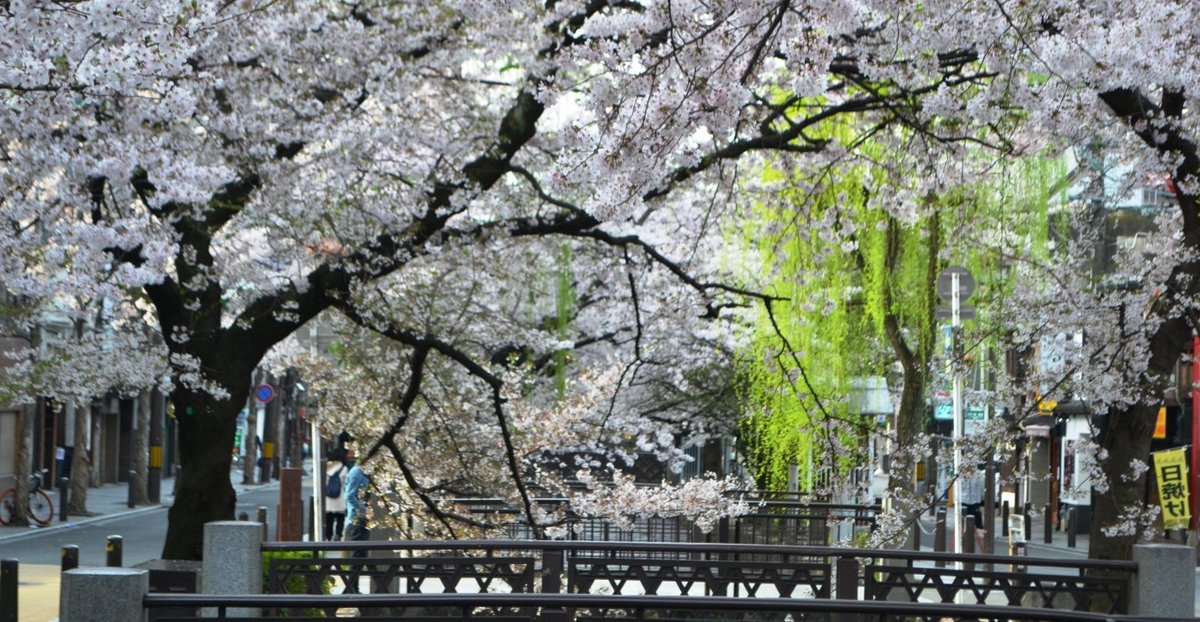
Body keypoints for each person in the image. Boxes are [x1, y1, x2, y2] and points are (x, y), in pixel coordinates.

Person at [344, 452, 371, 557]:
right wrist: (364, 510)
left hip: (363, 519)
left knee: (362, 554)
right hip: (357, 519)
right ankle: (353, 574)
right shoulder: (357, 472)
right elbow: (349, 496)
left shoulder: (363, 472)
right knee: (358, 555)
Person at [323, 452, 349, 541]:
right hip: (340, 498)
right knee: (340, 520)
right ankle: (338, 535)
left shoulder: (328, 467)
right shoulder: (344, 468)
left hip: (329, 498)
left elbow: (325, 483)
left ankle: (328, 536)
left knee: (329, 520)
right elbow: (345, 483)